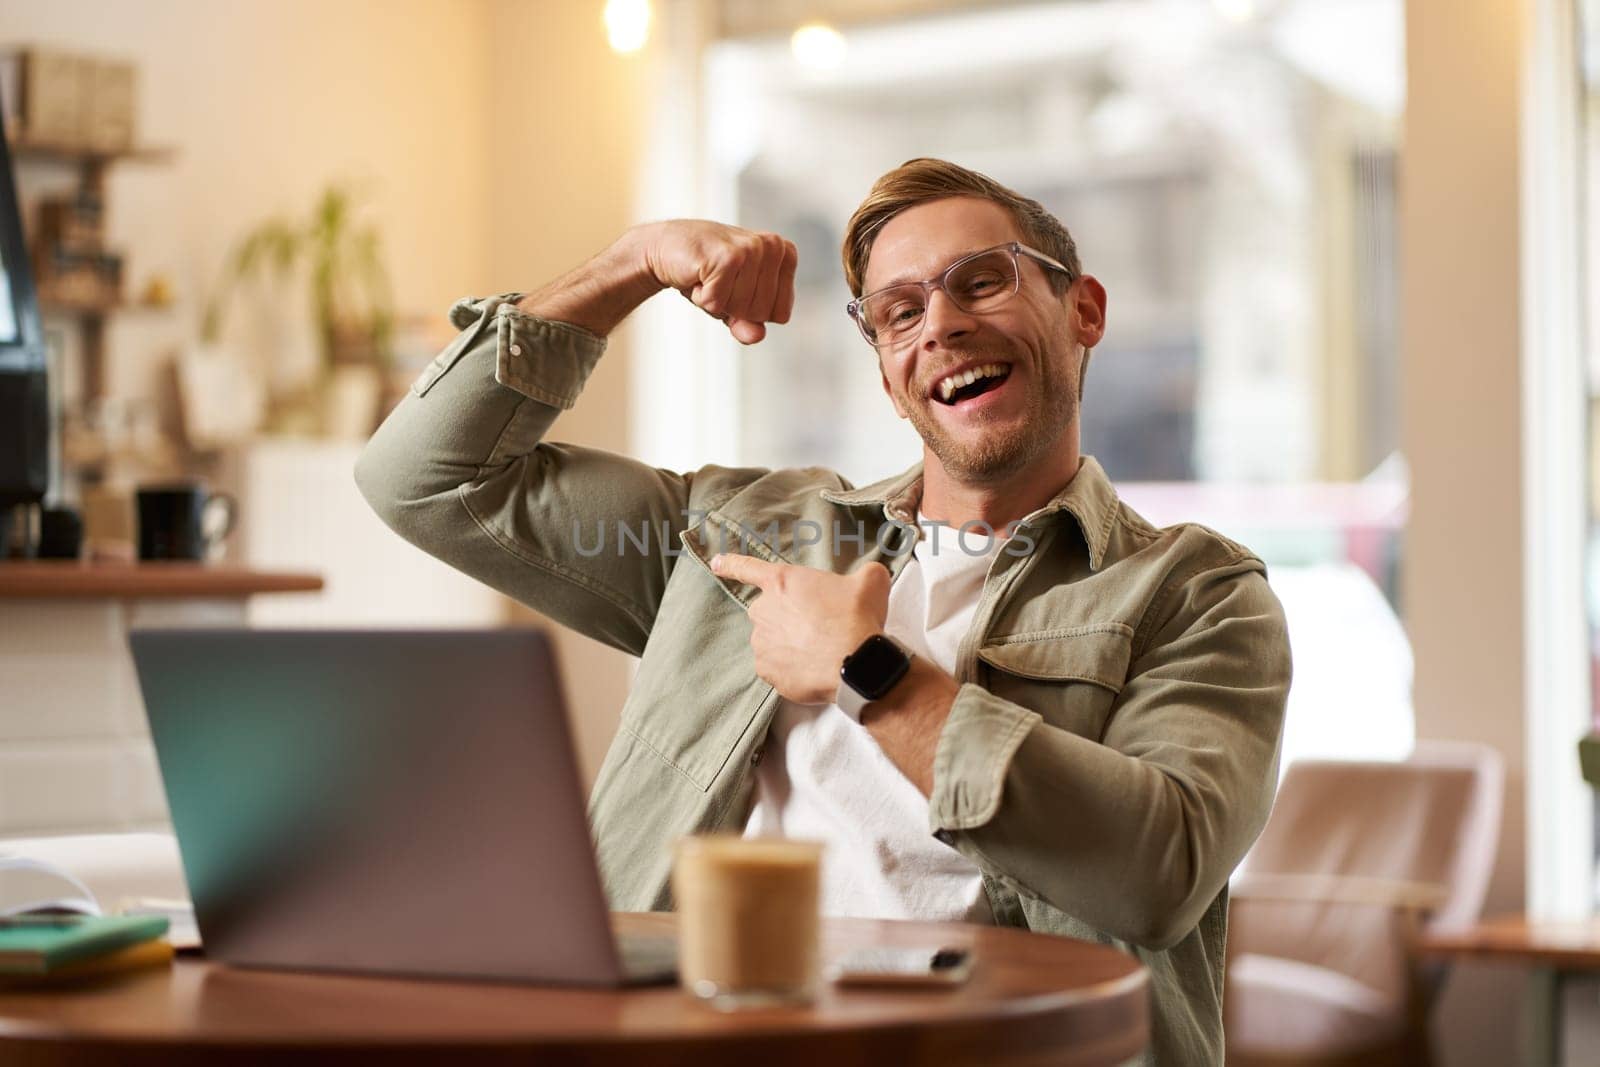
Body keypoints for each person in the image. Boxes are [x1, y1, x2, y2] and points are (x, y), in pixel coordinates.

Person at [356, 158, 1291, 1065]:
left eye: (981, 281)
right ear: (888, 372)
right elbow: (422, 480)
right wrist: (631, 262)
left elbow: (1159, 867)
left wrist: (871, 672)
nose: (943, 326)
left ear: (1082, 309)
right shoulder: (749, 533)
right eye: (901, 312)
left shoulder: (1196, 593)